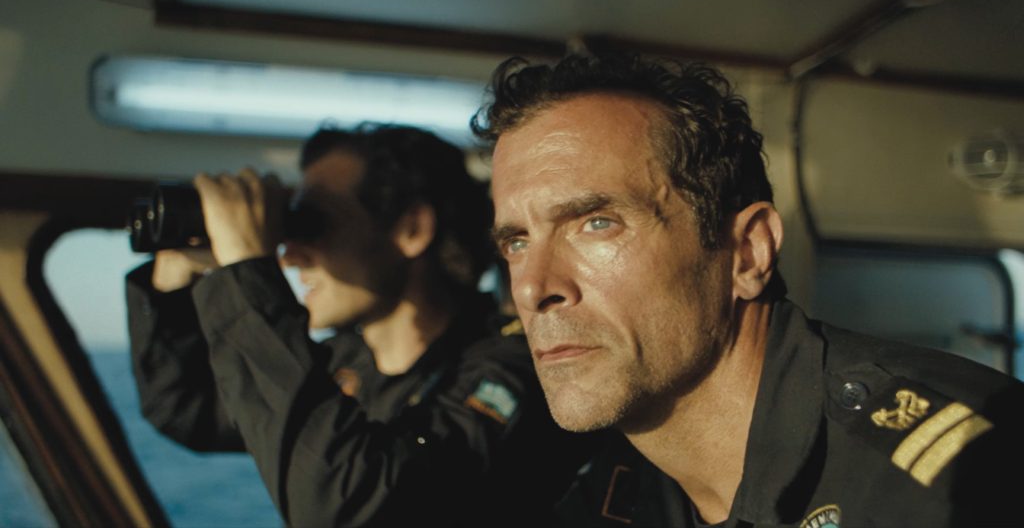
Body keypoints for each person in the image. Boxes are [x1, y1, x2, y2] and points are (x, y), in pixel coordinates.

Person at [474, 53, 1024, 527]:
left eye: (597, 223)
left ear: (748, 252)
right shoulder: (611, 492)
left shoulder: (960, 480)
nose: (534, 288)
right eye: (516, 242)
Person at [126, 124, 589, 527]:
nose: (290, 255)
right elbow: (187, 409)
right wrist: (172, 280)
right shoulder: (341, 363)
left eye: (314, 224)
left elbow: (349, 505)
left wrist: (247, 268)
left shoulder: (517, 368)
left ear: (411, 229)